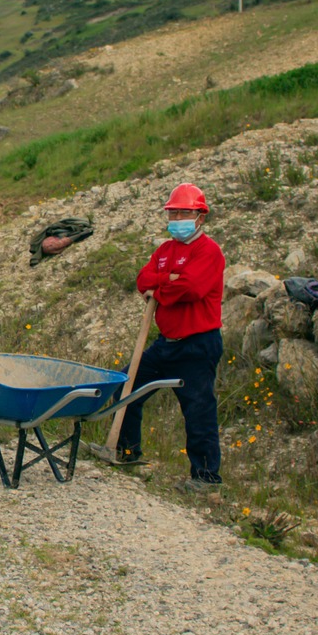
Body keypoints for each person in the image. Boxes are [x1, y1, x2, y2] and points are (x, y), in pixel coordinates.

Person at [114, 184, 226, 492]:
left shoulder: (209, 251)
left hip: (198, 343)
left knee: (198, 409)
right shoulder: (165, 251)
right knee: (126, 387)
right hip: (167, 342)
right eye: (173, 212)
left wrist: (160, 290)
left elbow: (192, 288)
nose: (177, 217)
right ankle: (127, 452)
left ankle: (205, 478)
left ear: (200, 216)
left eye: (184, 212)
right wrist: (169, 280)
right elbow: (142, 280)